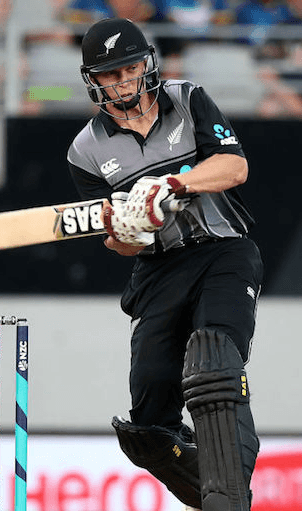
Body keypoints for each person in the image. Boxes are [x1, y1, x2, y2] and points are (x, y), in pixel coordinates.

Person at [66, 17, 263, 511]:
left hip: (223, 251)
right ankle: (208, 484)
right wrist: (130, 230)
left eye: (129, 69)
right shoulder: (85, 151)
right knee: (147, 428)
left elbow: (234, 166)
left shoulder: (187, 98)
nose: (123, 83)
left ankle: (230, 494)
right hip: (157, 269)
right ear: (94, 81)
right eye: (110, 75)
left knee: (215, 358)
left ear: (147, 64)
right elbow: (118, 245)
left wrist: (173, 186)